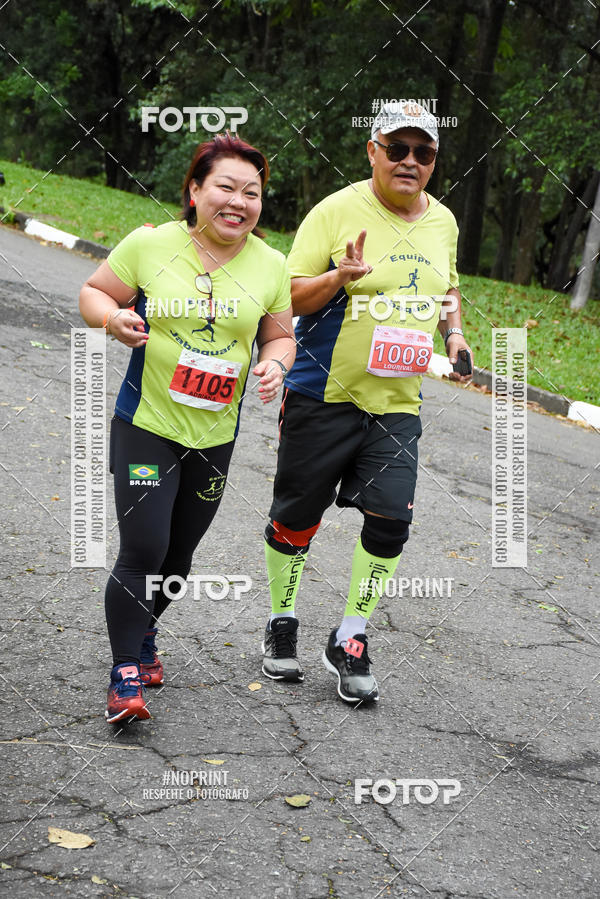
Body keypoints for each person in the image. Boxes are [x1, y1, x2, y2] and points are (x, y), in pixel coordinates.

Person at [261, 101, 472, 704]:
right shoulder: (334, 210)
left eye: (423, 152)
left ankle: (350, 635)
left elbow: (447, 287)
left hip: (397, 404)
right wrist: (339, 279)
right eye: (397, 148)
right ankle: (282, 622)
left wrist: (453, 332)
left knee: (391, 520)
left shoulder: (444, 222)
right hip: (321, 394)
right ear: (372, 150)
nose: (410, 161)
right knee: (297, 517)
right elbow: (290, 298)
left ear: (433, 161)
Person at [80, 134, 295, 723]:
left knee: (178, 557)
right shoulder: (152, 245)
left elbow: (279, 334)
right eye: (226, 186)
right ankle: (125, 673)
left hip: (213, 438)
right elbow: (95, 291)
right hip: (147, 425)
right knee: (144, 545)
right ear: (195, 190)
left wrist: (274, 363)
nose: (239, 201)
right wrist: (114, 318)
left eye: (252, 192)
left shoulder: (272, 265)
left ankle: (146, 631)